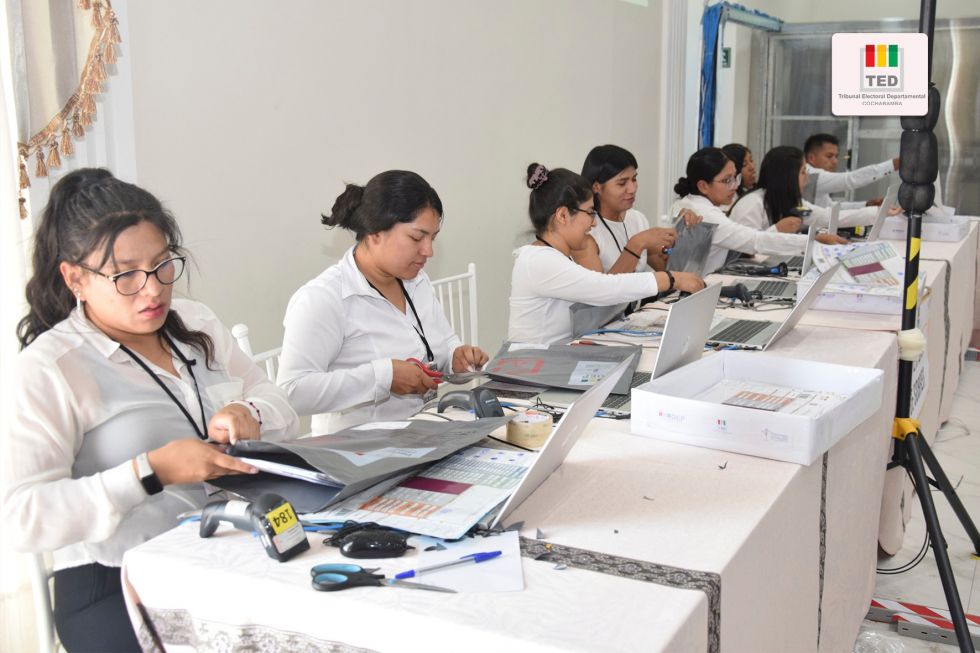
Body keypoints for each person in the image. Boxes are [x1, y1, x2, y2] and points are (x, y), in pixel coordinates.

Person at [2, 168, 298, 652]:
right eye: (125, 275)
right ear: (75, 278)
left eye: (163, 266)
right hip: (115, 579)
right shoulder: (50, 369)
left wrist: (250, 410)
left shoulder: (196, 323)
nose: (153, 289)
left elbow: (281, 400)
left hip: (231, 549)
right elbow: (20, 516)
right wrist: (149, 472)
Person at [277, 170, 487, 433]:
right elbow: (292, 392)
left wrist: (457, 357)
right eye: (416, 237)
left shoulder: (416, 281)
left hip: (423, 433)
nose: (428, 251)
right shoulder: (324, 299)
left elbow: (442, 345)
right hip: (358, 452)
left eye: (432, 238)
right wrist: (383, 377)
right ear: (376, 231)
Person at [509, 163, 704, 345]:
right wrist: (670, 279)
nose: (593, 223)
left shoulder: (558, 256)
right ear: (562, 215)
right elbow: (604, 288)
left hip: (556, 359)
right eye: (590, 213)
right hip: (532, 368)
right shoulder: (538, 261)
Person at [670, 148, 832, 275]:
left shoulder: (691, 203)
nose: (734, 186)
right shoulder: (706, 215)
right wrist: (813, 243)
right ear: (703, 186)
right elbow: (755, 241)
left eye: (735, 178)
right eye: (727, 181)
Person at [574, 145, 690, 273]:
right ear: (597, 187)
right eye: (622, 183)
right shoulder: (585, 230)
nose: (632, 189)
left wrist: (684, 231)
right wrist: (636, 244)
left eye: (634, 179)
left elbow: (667, 268)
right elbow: (599, 290)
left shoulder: (637, 218)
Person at [729, 145, 880, 233]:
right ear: (786, 177)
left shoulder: (792, 202)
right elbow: (744, 251)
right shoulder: (752, 204)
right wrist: (777, 230)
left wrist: (879, 212)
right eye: (802, 173)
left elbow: (827, 217)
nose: (807, 179)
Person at [803, 133, 898, 209]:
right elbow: (850, 179)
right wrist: (895, 164)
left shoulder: (817, 179)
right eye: (829, 156)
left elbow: (830, 207)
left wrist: (867, 204)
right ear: (811, 158)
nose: (835, 161)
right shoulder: (812, 175)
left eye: (836, 156)